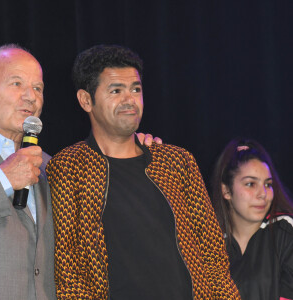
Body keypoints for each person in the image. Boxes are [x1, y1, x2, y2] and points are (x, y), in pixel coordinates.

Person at [46, 44, 240, 300]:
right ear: (86, 100)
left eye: (135, 89)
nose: (130, 100)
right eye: (116, 90)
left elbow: (213, 252)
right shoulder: (68, 168)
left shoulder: (176, 162)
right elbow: (69, 269)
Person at [0, 44, 56, 299]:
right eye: (17, 83)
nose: (31, 96)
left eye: (38, 88)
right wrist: (3, 180)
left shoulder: (50, 167)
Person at [211, 138, 293, 300]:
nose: (263, 193)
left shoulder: (285, 231)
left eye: (268, 184)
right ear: (226, 191)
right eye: (250, 184)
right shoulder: (210, 245)